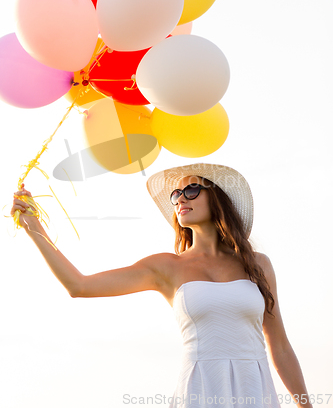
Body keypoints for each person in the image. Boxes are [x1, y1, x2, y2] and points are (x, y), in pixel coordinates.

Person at [11, 163, 312, 408]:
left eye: (192, 189)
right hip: (200, 391)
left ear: (217, 197)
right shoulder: (166, 267)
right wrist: (35, 229)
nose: (181, 198)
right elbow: (79, 285)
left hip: (255, 391)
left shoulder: (258, 265)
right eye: (176, 194)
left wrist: (305, 406)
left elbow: (281, 347)